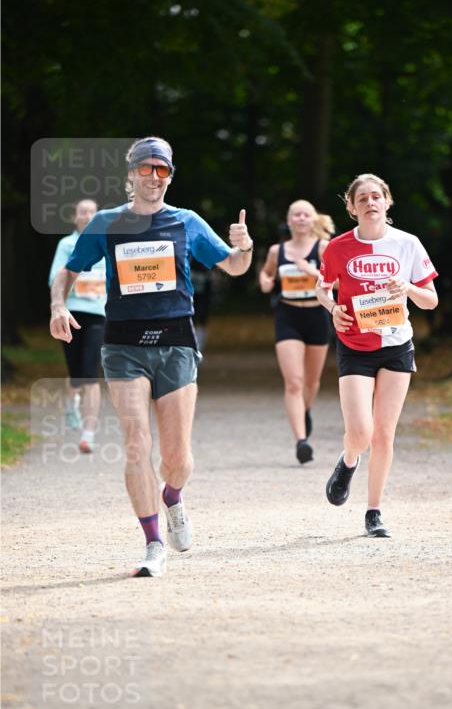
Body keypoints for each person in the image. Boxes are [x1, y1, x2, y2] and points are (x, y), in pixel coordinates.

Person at [49, 136, 254, 578]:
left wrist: (245, 245)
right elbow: (69, 270)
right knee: (137, 444)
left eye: (162, 170)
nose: (154, 178)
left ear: (170, 176)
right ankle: (152, 542)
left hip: (177, 341)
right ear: (131, 175)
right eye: (146, 169)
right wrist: (58, 305)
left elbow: (235, 266)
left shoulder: (187, 222)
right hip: (123, 346)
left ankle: (173, 497)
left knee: (177, 458)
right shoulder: (106, 223)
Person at [316, 173, 438, 538]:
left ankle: (374, 512)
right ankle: (349, 459)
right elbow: (323, 289)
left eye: (377, 196)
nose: (371, 202)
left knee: (384, 434)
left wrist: (409, 286)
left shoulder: (408, 244)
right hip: (355, 345)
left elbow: (430, 300)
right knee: (360, 432)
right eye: (363, 198)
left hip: (397, 344)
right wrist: (332, 307)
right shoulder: (337, 247)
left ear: (387, 202)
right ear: (352, 208)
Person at [259, 199, 330, 463]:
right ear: (289, 221)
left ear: (313, 219)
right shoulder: (277, 251)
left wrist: (310, 269)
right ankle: (302, 441)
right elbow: (266, 274)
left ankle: (305, 409)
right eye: (296, 215)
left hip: (317, 315)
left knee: (311, 383)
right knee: (294, 382)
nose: (300, 218)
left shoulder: (323, 248)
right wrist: (265, 281)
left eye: (305, 214)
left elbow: (336, 280)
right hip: (288, 315)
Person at [48, 198, 106, 453]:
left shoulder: (105, 244)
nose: (87, 216)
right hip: (70, 315)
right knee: (76, 373)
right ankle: (72, 401)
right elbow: (54, 278)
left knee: (90, 373)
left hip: (98, 315)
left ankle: (89, 433)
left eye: (92, 212)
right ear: (75, 217)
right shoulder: (66, 244)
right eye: (83, 212)